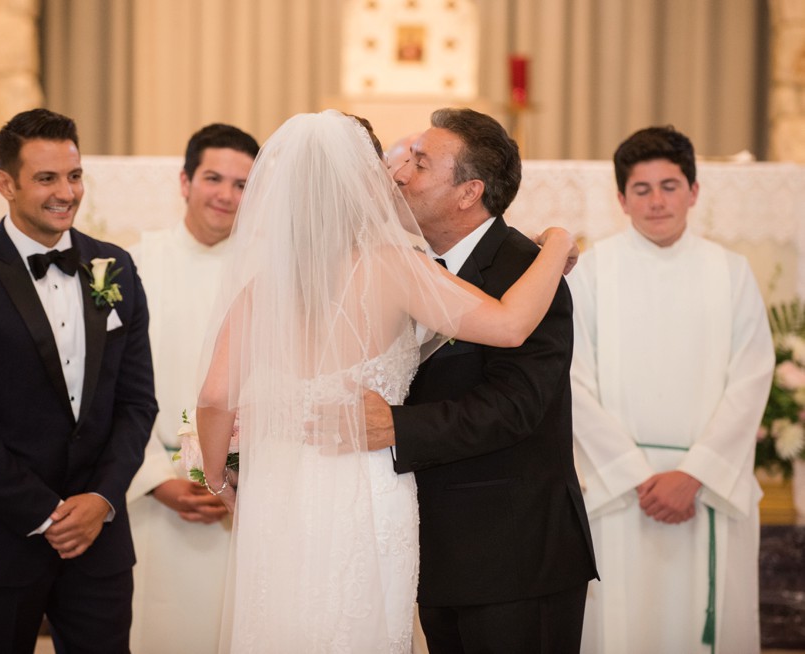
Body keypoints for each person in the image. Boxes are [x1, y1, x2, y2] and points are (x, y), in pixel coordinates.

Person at [195, 109, 579, 653]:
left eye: (416, 163)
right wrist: (560, 240)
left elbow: (214, 396)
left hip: (285, 496)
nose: (398, 175)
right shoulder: (397, 267)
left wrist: (218, 477)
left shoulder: (268, 286)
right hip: (364, 495)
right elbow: (511, 324)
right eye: (392, 164)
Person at [0, 108, 158, 654]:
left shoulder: (113, 268)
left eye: (74, 176)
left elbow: (137, 402)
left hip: (99, 539)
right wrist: (47, 515)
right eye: (46, 178)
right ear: (6, 184)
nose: (66, 192)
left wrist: (100, 498)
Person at [362, 107, 598, 653]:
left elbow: (516, 406)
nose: (399, 174)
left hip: (513, 554)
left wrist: (396, 426)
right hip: (435, 549)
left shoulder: (527, 271)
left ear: (469, 192)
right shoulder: (411, 267)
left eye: (420, 164)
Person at [567, 126, 774, 653]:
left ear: (694, 191)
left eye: (670, 185)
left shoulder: (731, 272)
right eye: (641, 189)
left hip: (705, 490)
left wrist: (695, 472)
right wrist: (635, 476)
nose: (657, 201)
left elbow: (752, 377)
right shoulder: (589, 273)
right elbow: (572, 381)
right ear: (621, 199)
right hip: (621, 493)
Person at [127, 123, 259, 653]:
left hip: (244, 494)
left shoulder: (267, 272)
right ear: (184, 181)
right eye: (213, 178)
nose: (226, 195)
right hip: (156, 491)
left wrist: (237, 473)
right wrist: (156, 478)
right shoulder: (135, 264)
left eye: (243, 184)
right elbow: (110, 390)